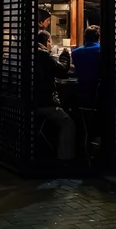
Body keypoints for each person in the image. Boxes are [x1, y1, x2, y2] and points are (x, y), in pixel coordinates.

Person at [34, 30, 75, 162]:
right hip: (44, 102)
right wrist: (65, 55)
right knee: (68, 122)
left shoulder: (29, 52)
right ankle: (65, 159)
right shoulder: (43, 54)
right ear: (48, 41)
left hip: (28, 100)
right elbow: (62, 70)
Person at [71, 25, 101, 97]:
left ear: (85, 37)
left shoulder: (75, 52)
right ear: (98, 38)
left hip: (81, 88)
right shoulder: (101, 50)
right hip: (98, 89)